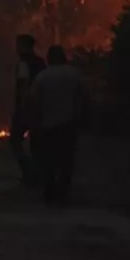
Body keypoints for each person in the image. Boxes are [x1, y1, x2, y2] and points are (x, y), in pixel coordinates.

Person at [26, 45, 89, 204]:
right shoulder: (75, 75)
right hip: (69, 124)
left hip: (48, 125)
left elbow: (33, 101)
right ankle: (63, 192)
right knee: (66, 160)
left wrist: (35, 122)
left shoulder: (42, 77)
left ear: (49, 59)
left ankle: (49, 191)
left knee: (49, 160)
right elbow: (84, 97)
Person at [10, 34, 46, 187]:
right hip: (40, 107)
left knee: (15, 140)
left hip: (27, 108)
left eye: (19, 45)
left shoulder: (24, 64)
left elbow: (23, 85)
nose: (17, 49)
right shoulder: (40, 63)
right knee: (36, 143)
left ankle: (29, 173)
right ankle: (38, 174)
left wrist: (21, 107)